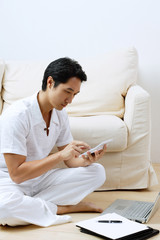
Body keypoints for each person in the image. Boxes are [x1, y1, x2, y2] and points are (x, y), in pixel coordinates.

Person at [0, 58, 106, 227]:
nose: (70, 100)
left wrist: (86, 160)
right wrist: (59, 156)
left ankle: (31, 207)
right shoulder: (17, 116)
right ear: (50, 82)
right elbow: (17, 175)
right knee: (4, 209)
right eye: (67, 91)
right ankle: (63, 208)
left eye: (74, 94)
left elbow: (70, 160)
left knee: (97, 172)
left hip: (40, 178)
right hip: (9, 181)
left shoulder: (60, 113)